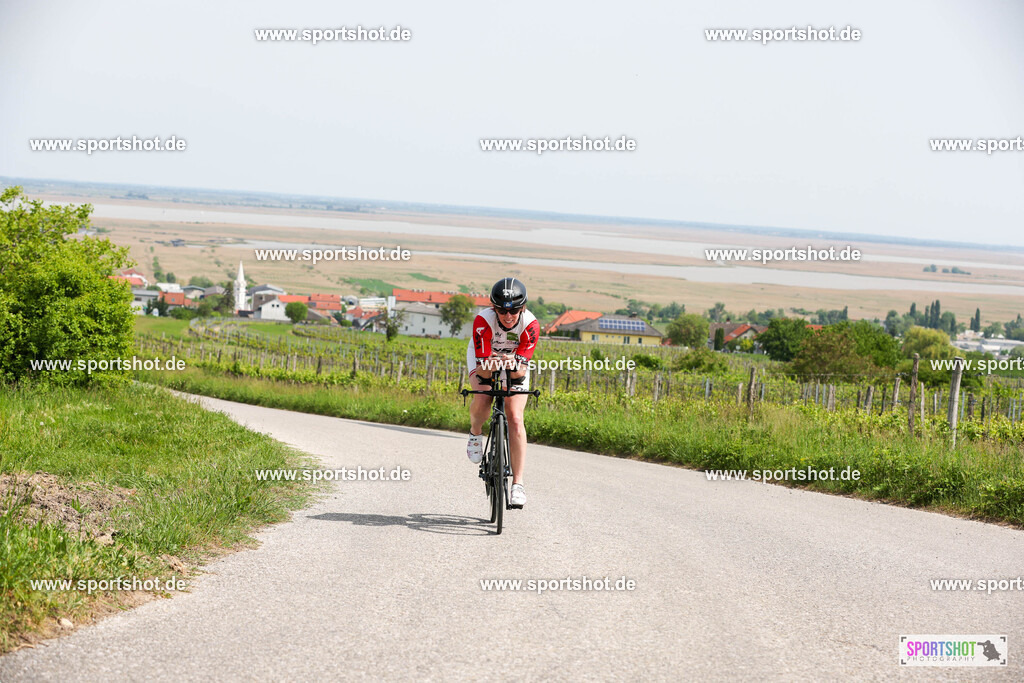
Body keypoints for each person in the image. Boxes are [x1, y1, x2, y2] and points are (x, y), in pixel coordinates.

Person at [466, 277, 540, 508]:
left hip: (515, 363)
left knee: (516, 417)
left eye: (515, 310)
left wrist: (512, 364)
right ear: (493, 307)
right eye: (501, 310)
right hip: (485, 360)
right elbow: (483, 375)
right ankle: (475, 432)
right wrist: (492, 364)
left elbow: (519, 375)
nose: (508, 316)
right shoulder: (483, 321)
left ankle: (518, 484)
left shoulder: (530, 325)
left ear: (523, 307)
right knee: (483, 397)